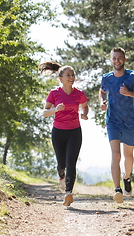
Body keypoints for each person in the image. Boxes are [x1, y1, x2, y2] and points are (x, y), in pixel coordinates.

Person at [99, 47, 134, 203]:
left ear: (125, 60)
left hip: (129, 121)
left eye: (120, 58)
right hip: (112, 121)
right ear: (111, 60)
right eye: (114, 58)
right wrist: (102, 102)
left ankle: (126, 177)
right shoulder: (106, 78)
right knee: (116, 155)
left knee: (128, 156)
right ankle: (117, 189)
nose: (117, 61)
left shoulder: (133, 77)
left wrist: (130, 93)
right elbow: (101, 91)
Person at [40, 61, 89, 207]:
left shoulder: (79, 94)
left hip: (75, 132)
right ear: (61, 78)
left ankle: (69, 193)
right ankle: (61, 176)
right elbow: (44, 113)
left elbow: (85, 107)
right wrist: (56, 109)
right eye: (68, 75)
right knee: (61, 164)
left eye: (73, 74)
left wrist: (84, 114)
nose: (72, 77)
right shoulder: (54, 93)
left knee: (71, 163)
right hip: (58, 132)